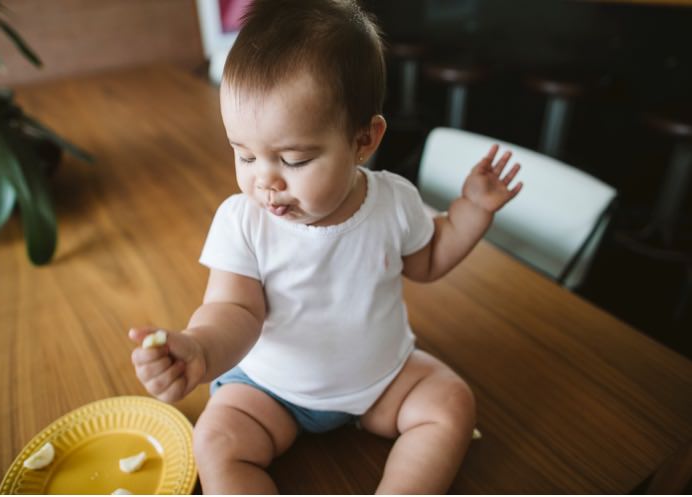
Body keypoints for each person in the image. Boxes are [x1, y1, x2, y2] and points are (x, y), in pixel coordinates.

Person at [128, 0, 523, 492]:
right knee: (214, 442)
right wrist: (201, 350)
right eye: (245, 154)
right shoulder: (243, 221)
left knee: (451, 404)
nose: (264, 181)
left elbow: (428, 258)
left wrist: (473, 210)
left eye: (293, 159)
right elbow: (234, 308)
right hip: (270, 391)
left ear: (364, 140)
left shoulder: (393, 201)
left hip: (381, 380)